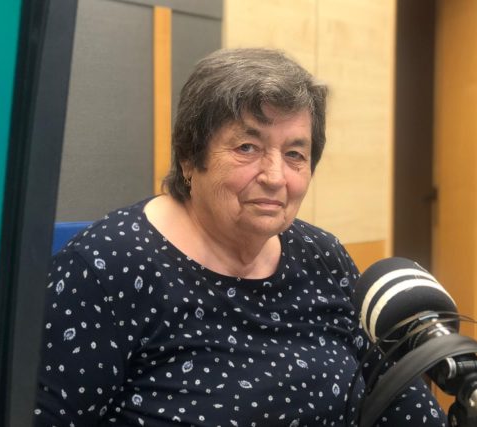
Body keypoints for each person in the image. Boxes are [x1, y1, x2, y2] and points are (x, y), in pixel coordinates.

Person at [35, 48, 447, 427]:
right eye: (248, 147)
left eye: (294, 154)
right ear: (189, 157)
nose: (275, 177)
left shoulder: (322, 256)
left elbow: (395, 394)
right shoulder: (104, 268)